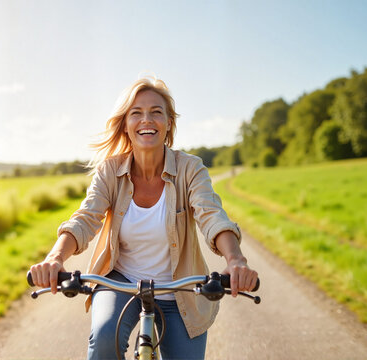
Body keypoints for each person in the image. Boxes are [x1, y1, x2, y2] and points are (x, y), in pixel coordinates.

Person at [29, 76, 258, 359]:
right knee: (103, 343)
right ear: (125, 124)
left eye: (156, 112)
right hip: (121, 282)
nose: (146, 120)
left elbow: (212, 215)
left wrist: (235, 261)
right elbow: (86, 217)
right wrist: (55, 258)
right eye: (136, 113)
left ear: (169, 123)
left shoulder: (190, 169)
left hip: (181, 289)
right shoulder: (110, 171)